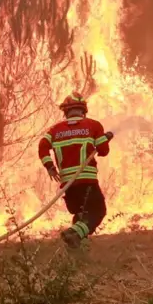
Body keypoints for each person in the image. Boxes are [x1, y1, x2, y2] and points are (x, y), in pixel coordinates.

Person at [38, 93, 115, 248]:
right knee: (97, 211)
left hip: (68, 184)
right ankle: (74, 233)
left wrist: (50, 167)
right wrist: (104, 138)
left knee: (81, 214)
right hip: (87, 181)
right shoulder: (93, 125)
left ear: (65, 111)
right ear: (84, 110)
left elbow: (42, 146)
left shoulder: (54, 130)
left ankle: (77, 249)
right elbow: (103, 151)